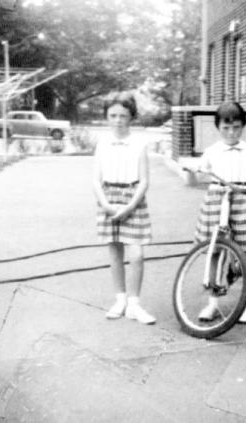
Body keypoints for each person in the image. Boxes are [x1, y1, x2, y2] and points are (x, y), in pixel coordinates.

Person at [194, 102, 246, 323]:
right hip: (216, 200)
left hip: (243, 201)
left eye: (236, 127)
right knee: (215, 250)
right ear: (218, 127)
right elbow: (200, 176)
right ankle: (213, 303)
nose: (231, 132)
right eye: (226, 128)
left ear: (243, 126)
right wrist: (194, 171)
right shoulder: (211, 152)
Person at [93, 92, 156, 324]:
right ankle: (120, 299)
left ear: (132, 117)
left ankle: (134, 304)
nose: (118, 120)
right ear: (107, 117)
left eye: (123, 116)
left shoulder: (139, 144)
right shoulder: (102, 144)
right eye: (113, 115)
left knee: (137, 255)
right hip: (108, 198)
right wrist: (106, 205)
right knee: (115, 252)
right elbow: (95, 180)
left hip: (133, 199)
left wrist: (129, 206)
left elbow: (145, 180)